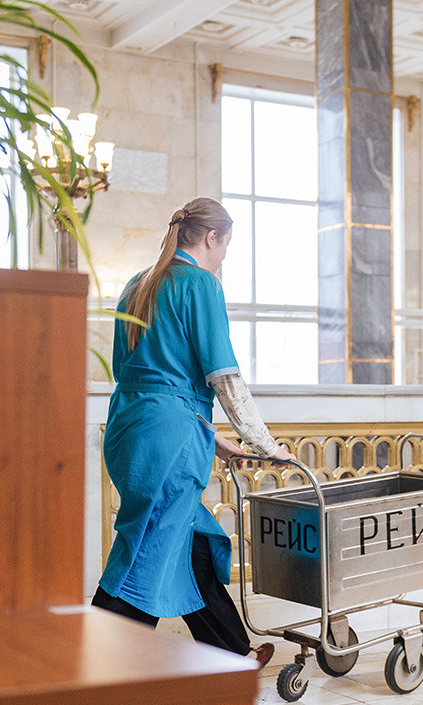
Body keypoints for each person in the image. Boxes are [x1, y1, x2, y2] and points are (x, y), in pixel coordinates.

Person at [93, 197, 293, 668]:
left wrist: (217, 442)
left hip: (132, 428)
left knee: (189, 537)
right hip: (169, 438)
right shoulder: (200, 284)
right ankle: (97, 660)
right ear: (211, 238)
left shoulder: (137, 284)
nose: (224, 256)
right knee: (147, 548)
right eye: (225, 246)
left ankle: (232, 650)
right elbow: (223, 377)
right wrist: (267, 445)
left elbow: (150, 377)